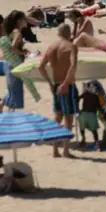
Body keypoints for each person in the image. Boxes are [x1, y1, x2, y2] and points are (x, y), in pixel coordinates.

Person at [35, 23, 77, 158]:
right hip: (67, 86)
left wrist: (49, 82)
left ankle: (54, 150)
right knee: (68, 117)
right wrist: (65, 84)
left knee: (58, 116)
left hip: (55, 84)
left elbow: (40, 67)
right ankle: (65, 149)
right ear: (69, 33)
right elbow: (73, 66)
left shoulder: (52, 47)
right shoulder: (71, 46)